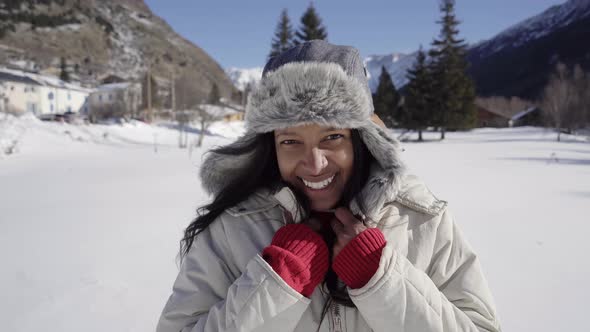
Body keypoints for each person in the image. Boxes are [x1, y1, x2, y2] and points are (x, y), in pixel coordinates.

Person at [156, 40, 501, 332]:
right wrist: (277, 284)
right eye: (291, 141)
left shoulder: (420, 219)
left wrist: (381, 278)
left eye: (332, 136)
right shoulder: (231, 228)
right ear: (270, 147)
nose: (315, 162)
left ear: (361, 140)